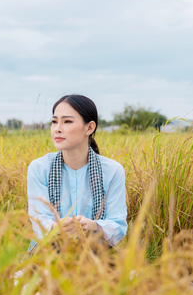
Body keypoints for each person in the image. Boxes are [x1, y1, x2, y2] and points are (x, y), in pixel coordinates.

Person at [27, 94, 128, 250]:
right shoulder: (39, 168)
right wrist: (58, 228)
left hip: (97, 254)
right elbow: (39, 222)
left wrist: (93, 226)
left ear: (89, 127)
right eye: (54, 122)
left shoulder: (113, 171)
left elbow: (118, 225)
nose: (57, 129)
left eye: (67, 121)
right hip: (47, 255)